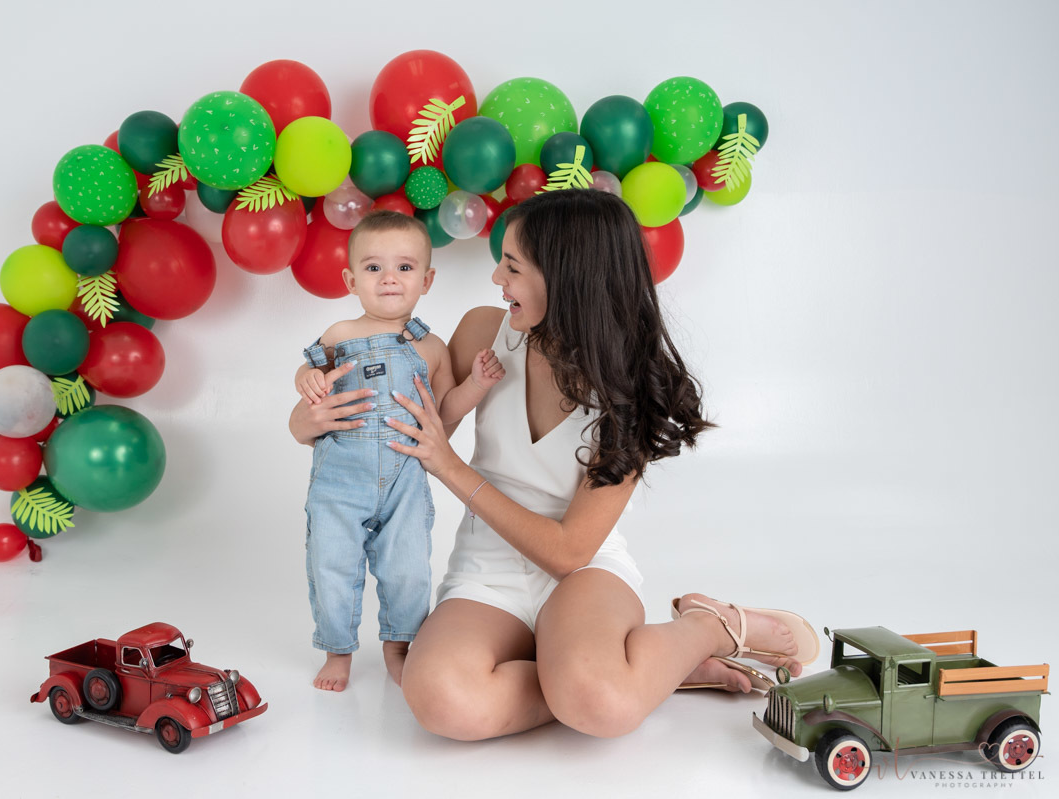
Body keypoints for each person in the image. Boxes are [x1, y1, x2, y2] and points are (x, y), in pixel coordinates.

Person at [289, 190, 817, 737]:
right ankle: (643, 669)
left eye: (513, 266)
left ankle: (707, 627)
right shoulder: (482, 333)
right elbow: (407, 426)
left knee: (600, 706)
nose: (496, 277)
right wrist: (306, 423)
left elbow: (569, 552)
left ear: (566, 278)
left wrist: (449, 467)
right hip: (486, 568)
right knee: (441, 700)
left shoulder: (631, 387)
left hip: (581, 572)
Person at [295, 210, 505, 692]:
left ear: (426, 280)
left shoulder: (431, 348)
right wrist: (306, 379)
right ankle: (337, 650)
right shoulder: (339, 334)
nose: (389, 278)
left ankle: (398, 645)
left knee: (408, 566)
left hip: (405, 475)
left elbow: (444, 410)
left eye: (405, 268)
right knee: (331, 563)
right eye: (374, 268)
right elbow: (308, 372)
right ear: (351, 280)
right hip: (340, 475)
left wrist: (476, 384)